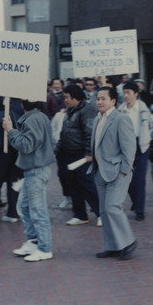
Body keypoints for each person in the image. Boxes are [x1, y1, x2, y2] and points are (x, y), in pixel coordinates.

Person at [3, 100, 56, 262]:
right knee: (24, 206)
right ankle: (33, 241)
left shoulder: (32, 119)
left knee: (37, 209)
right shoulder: (40, 117)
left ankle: (44, 248)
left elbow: (26, 145)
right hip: (36, 167)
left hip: (36, 168)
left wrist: (10, 130)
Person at [88, 86, 137, 260]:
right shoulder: (97, 119)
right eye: (98, 98)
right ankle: (113, 246)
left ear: (113, 101)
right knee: (103, 210)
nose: (99, 102)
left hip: (118, 172)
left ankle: (128, 242)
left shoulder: (121, 119)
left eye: (103, 98)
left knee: (112, 207)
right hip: (100, 171)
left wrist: (124, 171)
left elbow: (129, 148)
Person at [58, 84, 100, 226]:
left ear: (75, 97)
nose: (65, 100)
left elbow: (89, 134)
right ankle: (80, 214)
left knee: (86, 184)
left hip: (82, 155)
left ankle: (102, 213)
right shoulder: (70, 111)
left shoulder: (86, 110)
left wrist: (88, 154)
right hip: (68, 154)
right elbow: (63, 133)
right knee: (73, 184)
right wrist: (57, 150)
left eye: (66, 97)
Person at [118, 82, 153, 221]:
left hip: (141, 147)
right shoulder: (121, 109)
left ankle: (140, 210)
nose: (125, 95)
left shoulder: (143, 109)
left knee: (139, 179)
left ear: (136, 94)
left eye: (128, 92)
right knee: (126, 179)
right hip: (125, 147)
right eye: (124, 92)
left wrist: (148, 138)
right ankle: (136, 201)